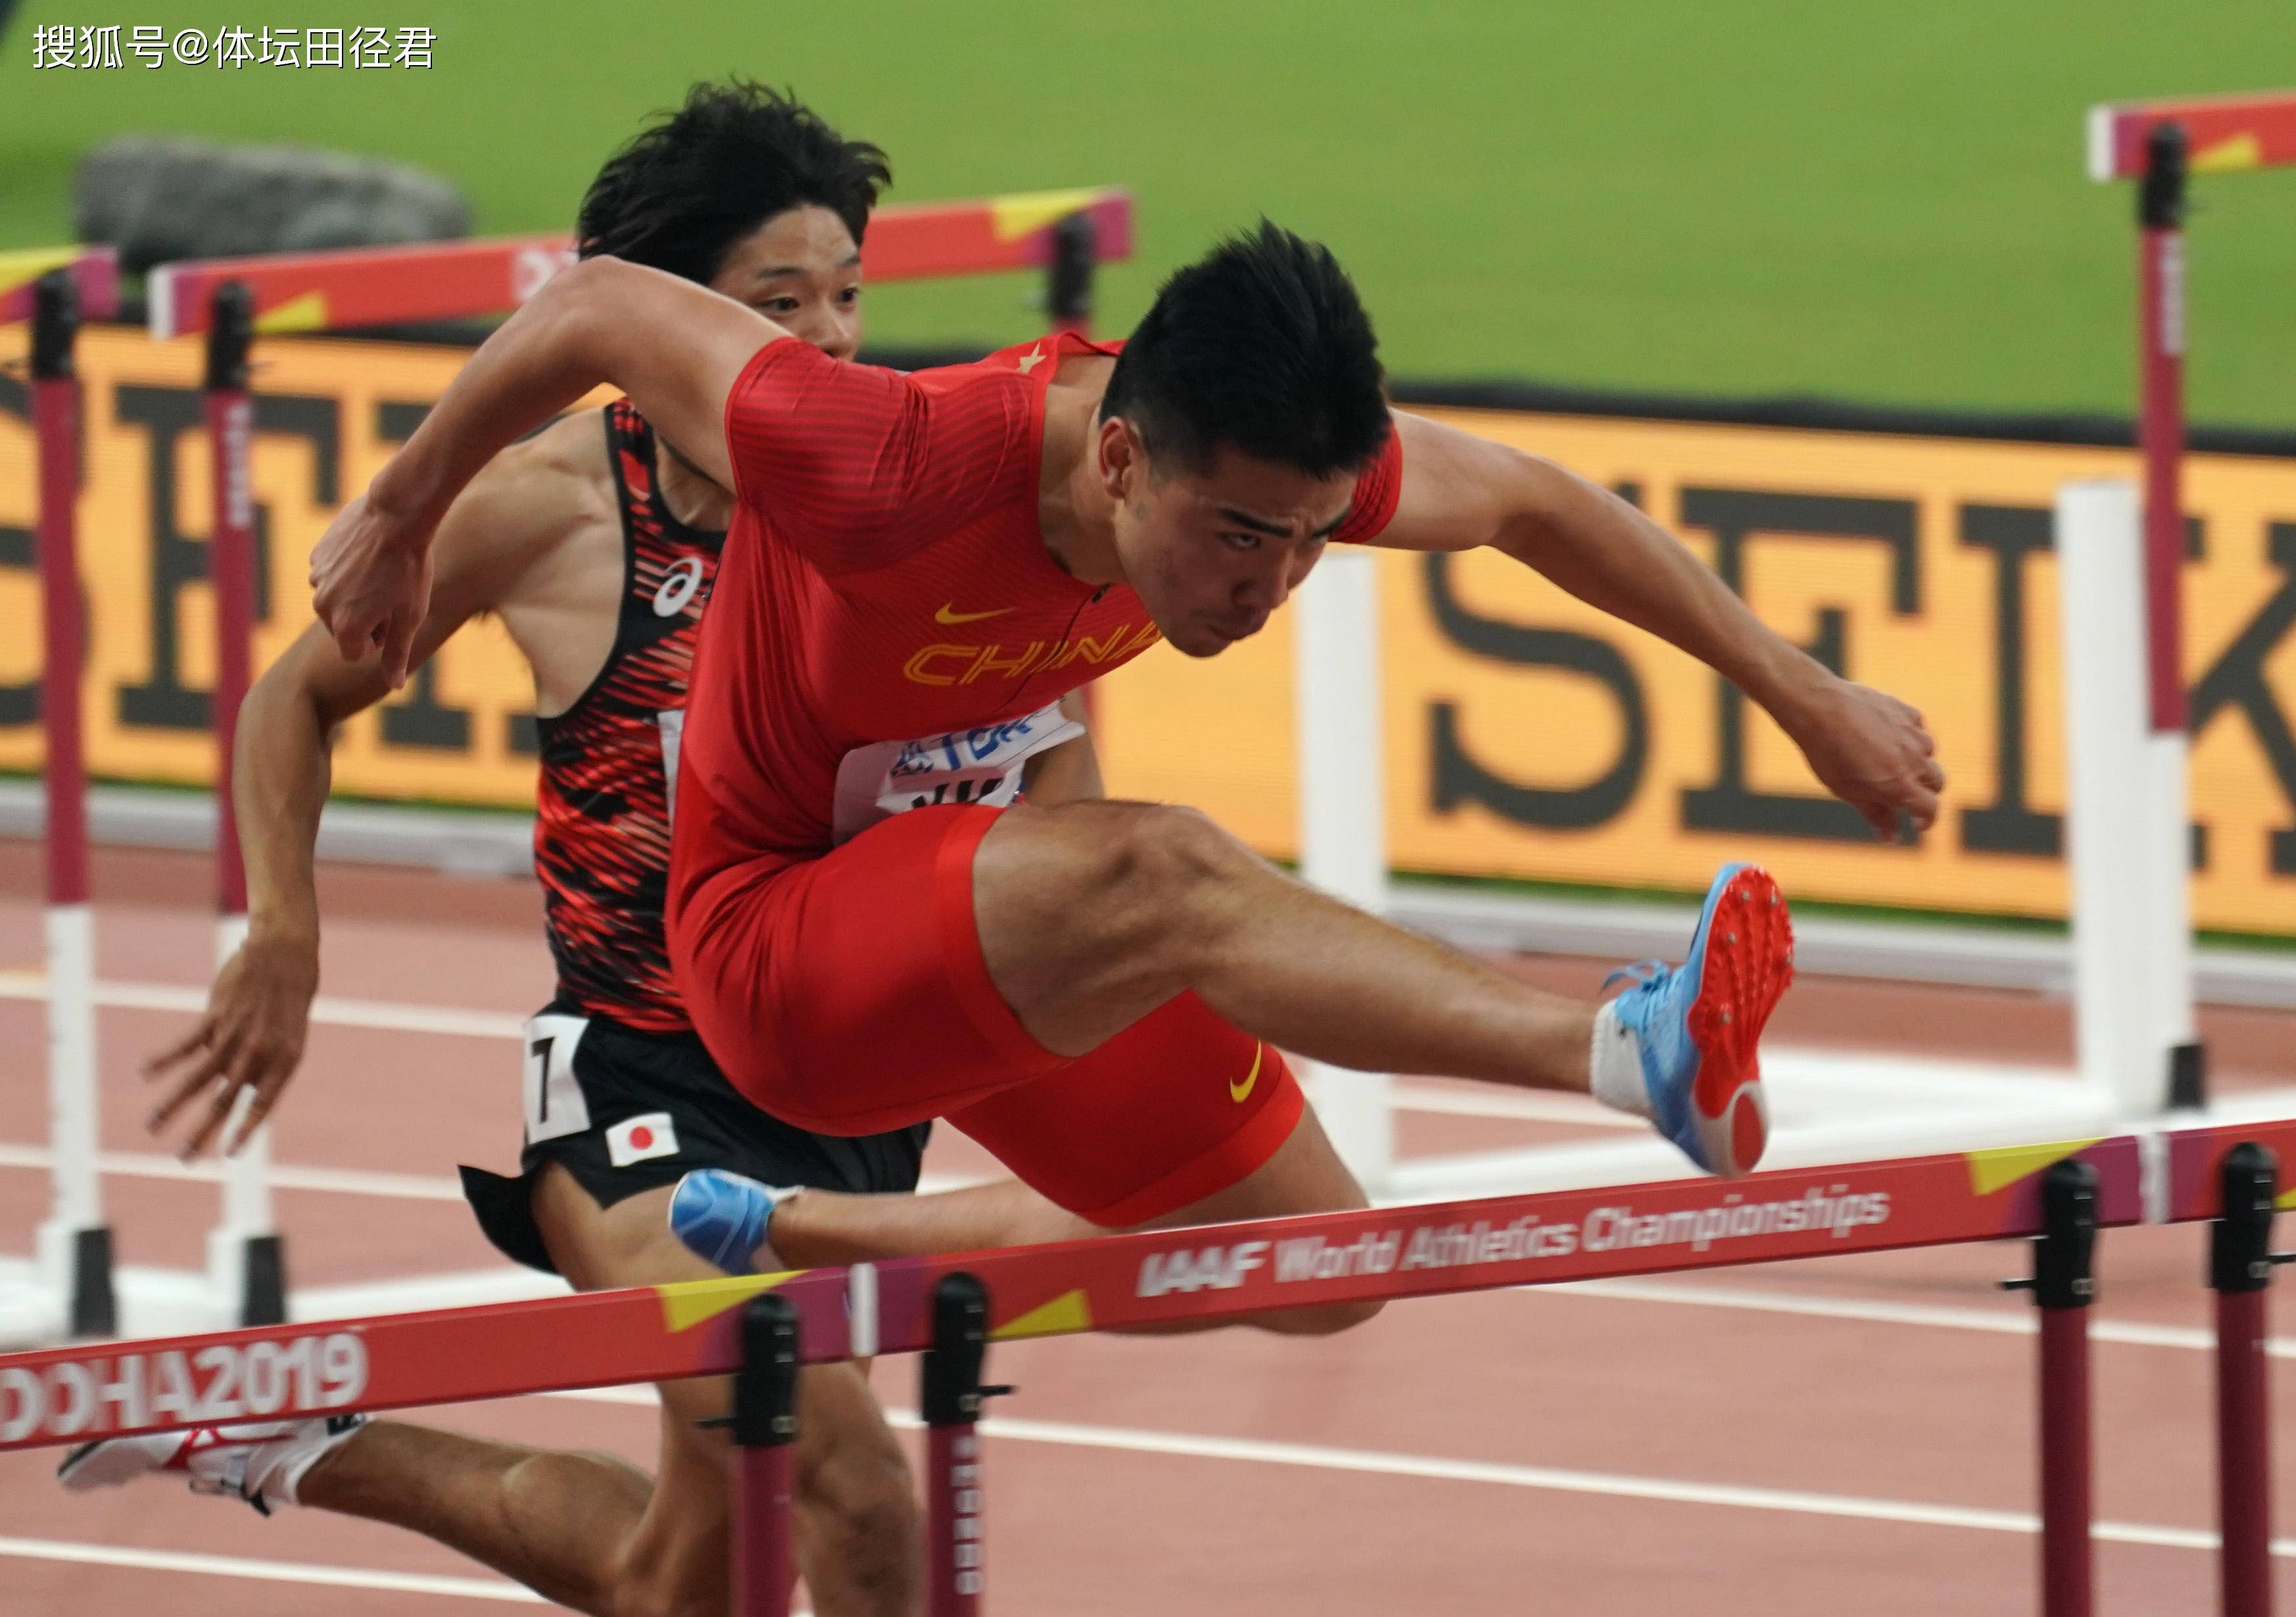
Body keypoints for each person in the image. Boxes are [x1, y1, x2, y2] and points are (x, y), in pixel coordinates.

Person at [303, 214, 1944, 1328]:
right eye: (1239, 537)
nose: (1271, 585)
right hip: (767, 950)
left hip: (974, 944)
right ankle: (1629, 1047)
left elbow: (1532, 503)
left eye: (1308, 543)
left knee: (1322, 1265)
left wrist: (1805, 699)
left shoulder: (1276, 466)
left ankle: (794, 1231)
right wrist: (398, 512)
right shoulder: (882, 457)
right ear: (1118, 456)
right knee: (1161, 867)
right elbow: (591, 303)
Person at [61, 83, 1093, 1617]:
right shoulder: (550, 509)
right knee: (855, 1487)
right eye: (777, 302)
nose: (825, 342)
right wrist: (284, 931)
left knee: (677, 1581)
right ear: (664, 318)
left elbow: (1062, 822)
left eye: (849, 297)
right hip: (637, 1090)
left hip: (855, 1095)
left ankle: (292, 1437)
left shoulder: (937, 498)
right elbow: (296, 698)